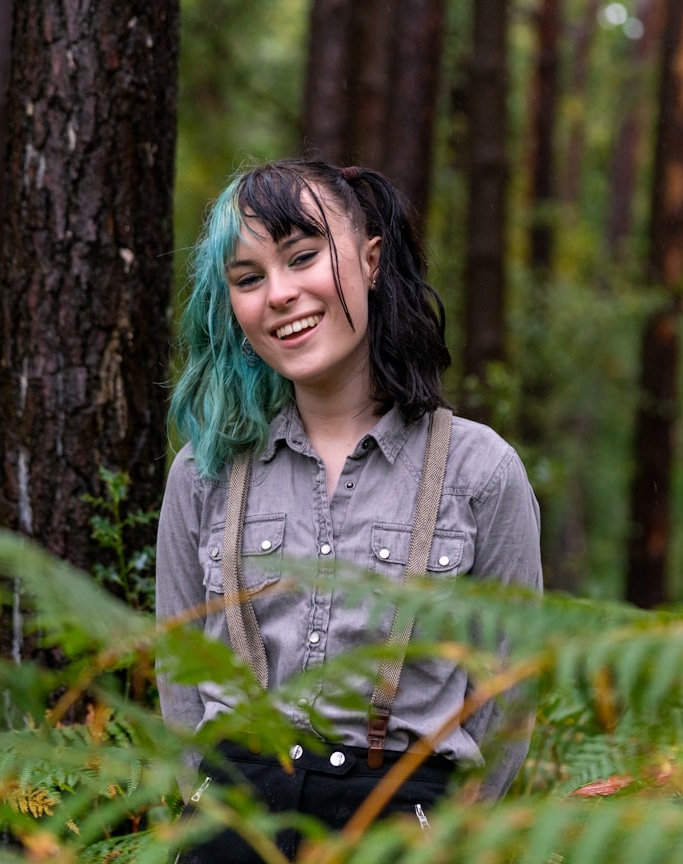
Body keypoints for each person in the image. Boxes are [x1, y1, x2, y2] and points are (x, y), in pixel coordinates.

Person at [155, 158, 542, 862]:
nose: (280, 294)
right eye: (248, 278)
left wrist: (445, 837)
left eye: (303, 257)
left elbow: (509, 690)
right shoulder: (203, 471)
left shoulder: (481, 472)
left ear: (370, 261)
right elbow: (178, 671)